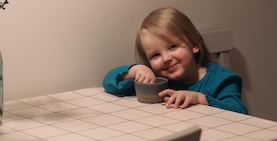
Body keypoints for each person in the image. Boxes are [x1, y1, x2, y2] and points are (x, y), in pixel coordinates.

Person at [102, 7, 248, 114]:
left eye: (172, 46)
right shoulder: (156, 81)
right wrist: (136, 70)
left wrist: (200, 99)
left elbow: (240, 114)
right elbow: (109, 83)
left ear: (194, 45)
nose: (166, 59)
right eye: (155, 55)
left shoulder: (221, 80)